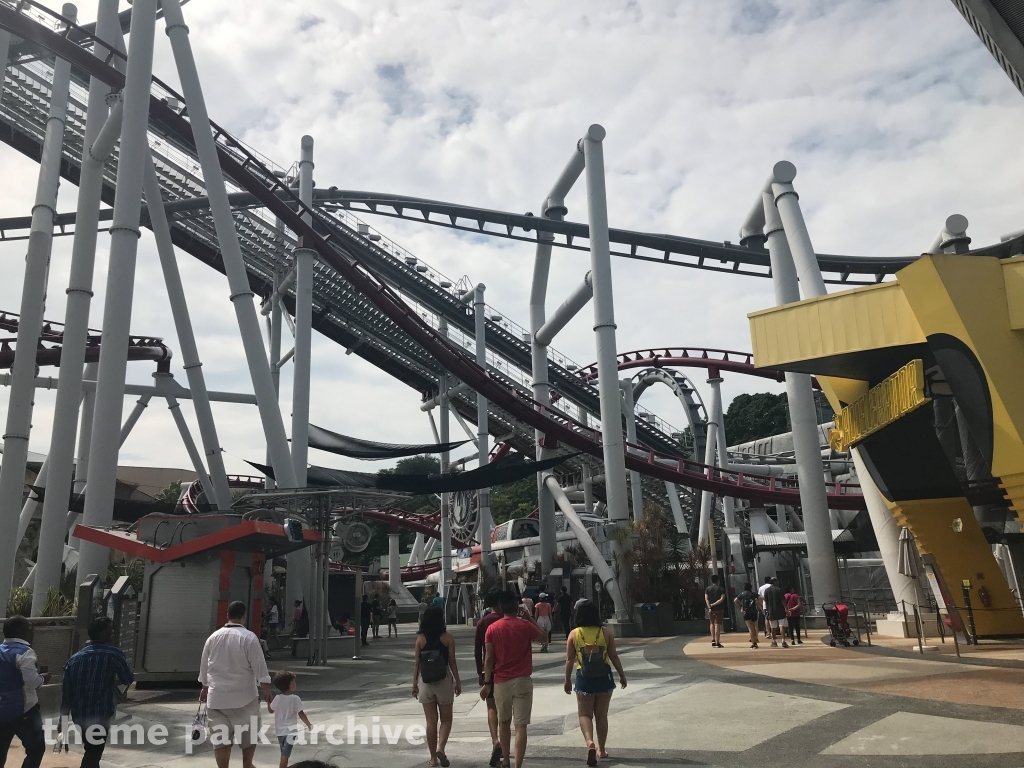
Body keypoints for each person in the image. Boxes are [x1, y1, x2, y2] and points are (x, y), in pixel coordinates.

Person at [198, 601, 272, 768]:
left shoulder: (212, 638)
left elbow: (205, 667)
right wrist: (267, 690)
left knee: (221, 739)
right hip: (244, 697)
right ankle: (247, 764)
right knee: (249, 735)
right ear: (244, 616)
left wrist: (204, 688)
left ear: (227, 616)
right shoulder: (249, 638)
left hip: (217, 698)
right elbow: (259, 666)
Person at [480, 590, 547, 768]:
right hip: (523, 680)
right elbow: (544, 639)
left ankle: (506, 761)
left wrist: (487, 683)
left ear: (501, 607)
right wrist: (530, 618)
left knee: (504, 722)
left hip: (501, 681)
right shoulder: (525, 625)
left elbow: (488, 658)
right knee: (521, 726)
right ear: (517, 607)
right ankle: (518, 764)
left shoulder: (492, 629)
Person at [61, 616, 134, 768]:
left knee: (91, 750)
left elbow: (67, 694)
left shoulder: (74, 660)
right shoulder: (113, 654)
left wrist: (63, 721)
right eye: (110, 631)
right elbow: (127, 678)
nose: (112, 634)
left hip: (79, 715)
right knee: (93, 753)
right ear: (101, 633)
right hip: (101, 713)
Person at [563, 600, 627, 766]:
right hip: (604, 678)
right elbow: (613, 656)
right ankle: (602, 749)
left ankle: (589, 742)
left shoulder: (574, 634)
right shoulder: (605, 633)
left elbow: (569, 660)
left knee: (584, 714)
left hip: (584, 679)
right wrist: (622, 675)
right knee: (601, 716)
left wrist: (567, 680)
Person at [412, 606, 462, 768]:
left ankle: (433, 758)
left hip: (425, 682)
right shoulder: (448, 637)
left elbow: (417, 665)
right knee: (446, 719)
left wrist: (414, 685)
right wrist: (458, 681)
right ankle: (441, 748)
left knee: (431, 721)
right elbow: (452, 662)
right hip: (443, 681)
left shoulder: (420, 639)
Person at [0, 616, 47, 768]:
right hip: (25, 712)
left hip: (2, 711)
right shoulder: (25, 653)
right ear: (21, 631)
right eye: (29, 628)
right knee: (36, 749)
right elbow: (32, 682)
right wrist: (43, 679)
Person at [474, 589, 504, 767]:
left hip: (490, 671)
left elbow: (478, 651)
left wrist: (481, 674)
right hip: (511, 671)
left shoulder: (483, 622)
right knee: (507, 710)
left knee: (491, 707)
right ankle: (507, 745)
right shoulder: (510, 620)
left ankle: (495, 741)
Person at [268, 670, 312, 768]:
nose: (295, 683)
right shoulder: (295, 699)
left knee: (284, 753)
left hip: (279, 731)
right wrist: (308, 724)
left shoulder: (277, 698)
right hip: (290, 732)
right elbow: (301, 713)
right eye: (294, 681)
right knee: (285, 755)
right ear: (290, 684)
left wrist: (268, 701)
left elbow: (271, 710)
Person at [764, 577, 789, 648]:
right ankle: (783, 641)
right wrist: (786, 608)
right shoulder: (779, 590)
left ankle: (774, 641)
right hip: (780, 610)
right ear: (774, 582)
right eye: (777, 581)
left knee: (773, 627)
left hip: (771, 611)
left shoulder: (766, 591)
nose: (778, 582)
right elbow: (783, 600)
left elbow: (765, 600)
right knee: (782, 626)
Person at [734, 582, 760, 649]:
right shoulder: (753, 594)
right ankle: (756, 640)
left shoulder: (743, 594)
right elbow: (761, 597)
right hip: (754, 611)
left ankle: (753, 643)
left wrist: (741, 606)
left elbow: (735, 600)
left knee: (750, 628)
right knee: (755, 627)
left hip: (746, 612)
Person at [704, 574, 726, 648]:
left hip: (710, 610)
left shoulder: (708, 589)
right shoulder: (721, 589)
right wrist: (714, 604)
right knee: (717, 624)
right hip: (719, 609)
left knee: (712, 623)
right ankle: (717, 641)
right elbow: (722, 599)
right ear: (718, 581)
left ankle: (713, 639)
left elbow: (706, 599)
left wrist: (709, 606)